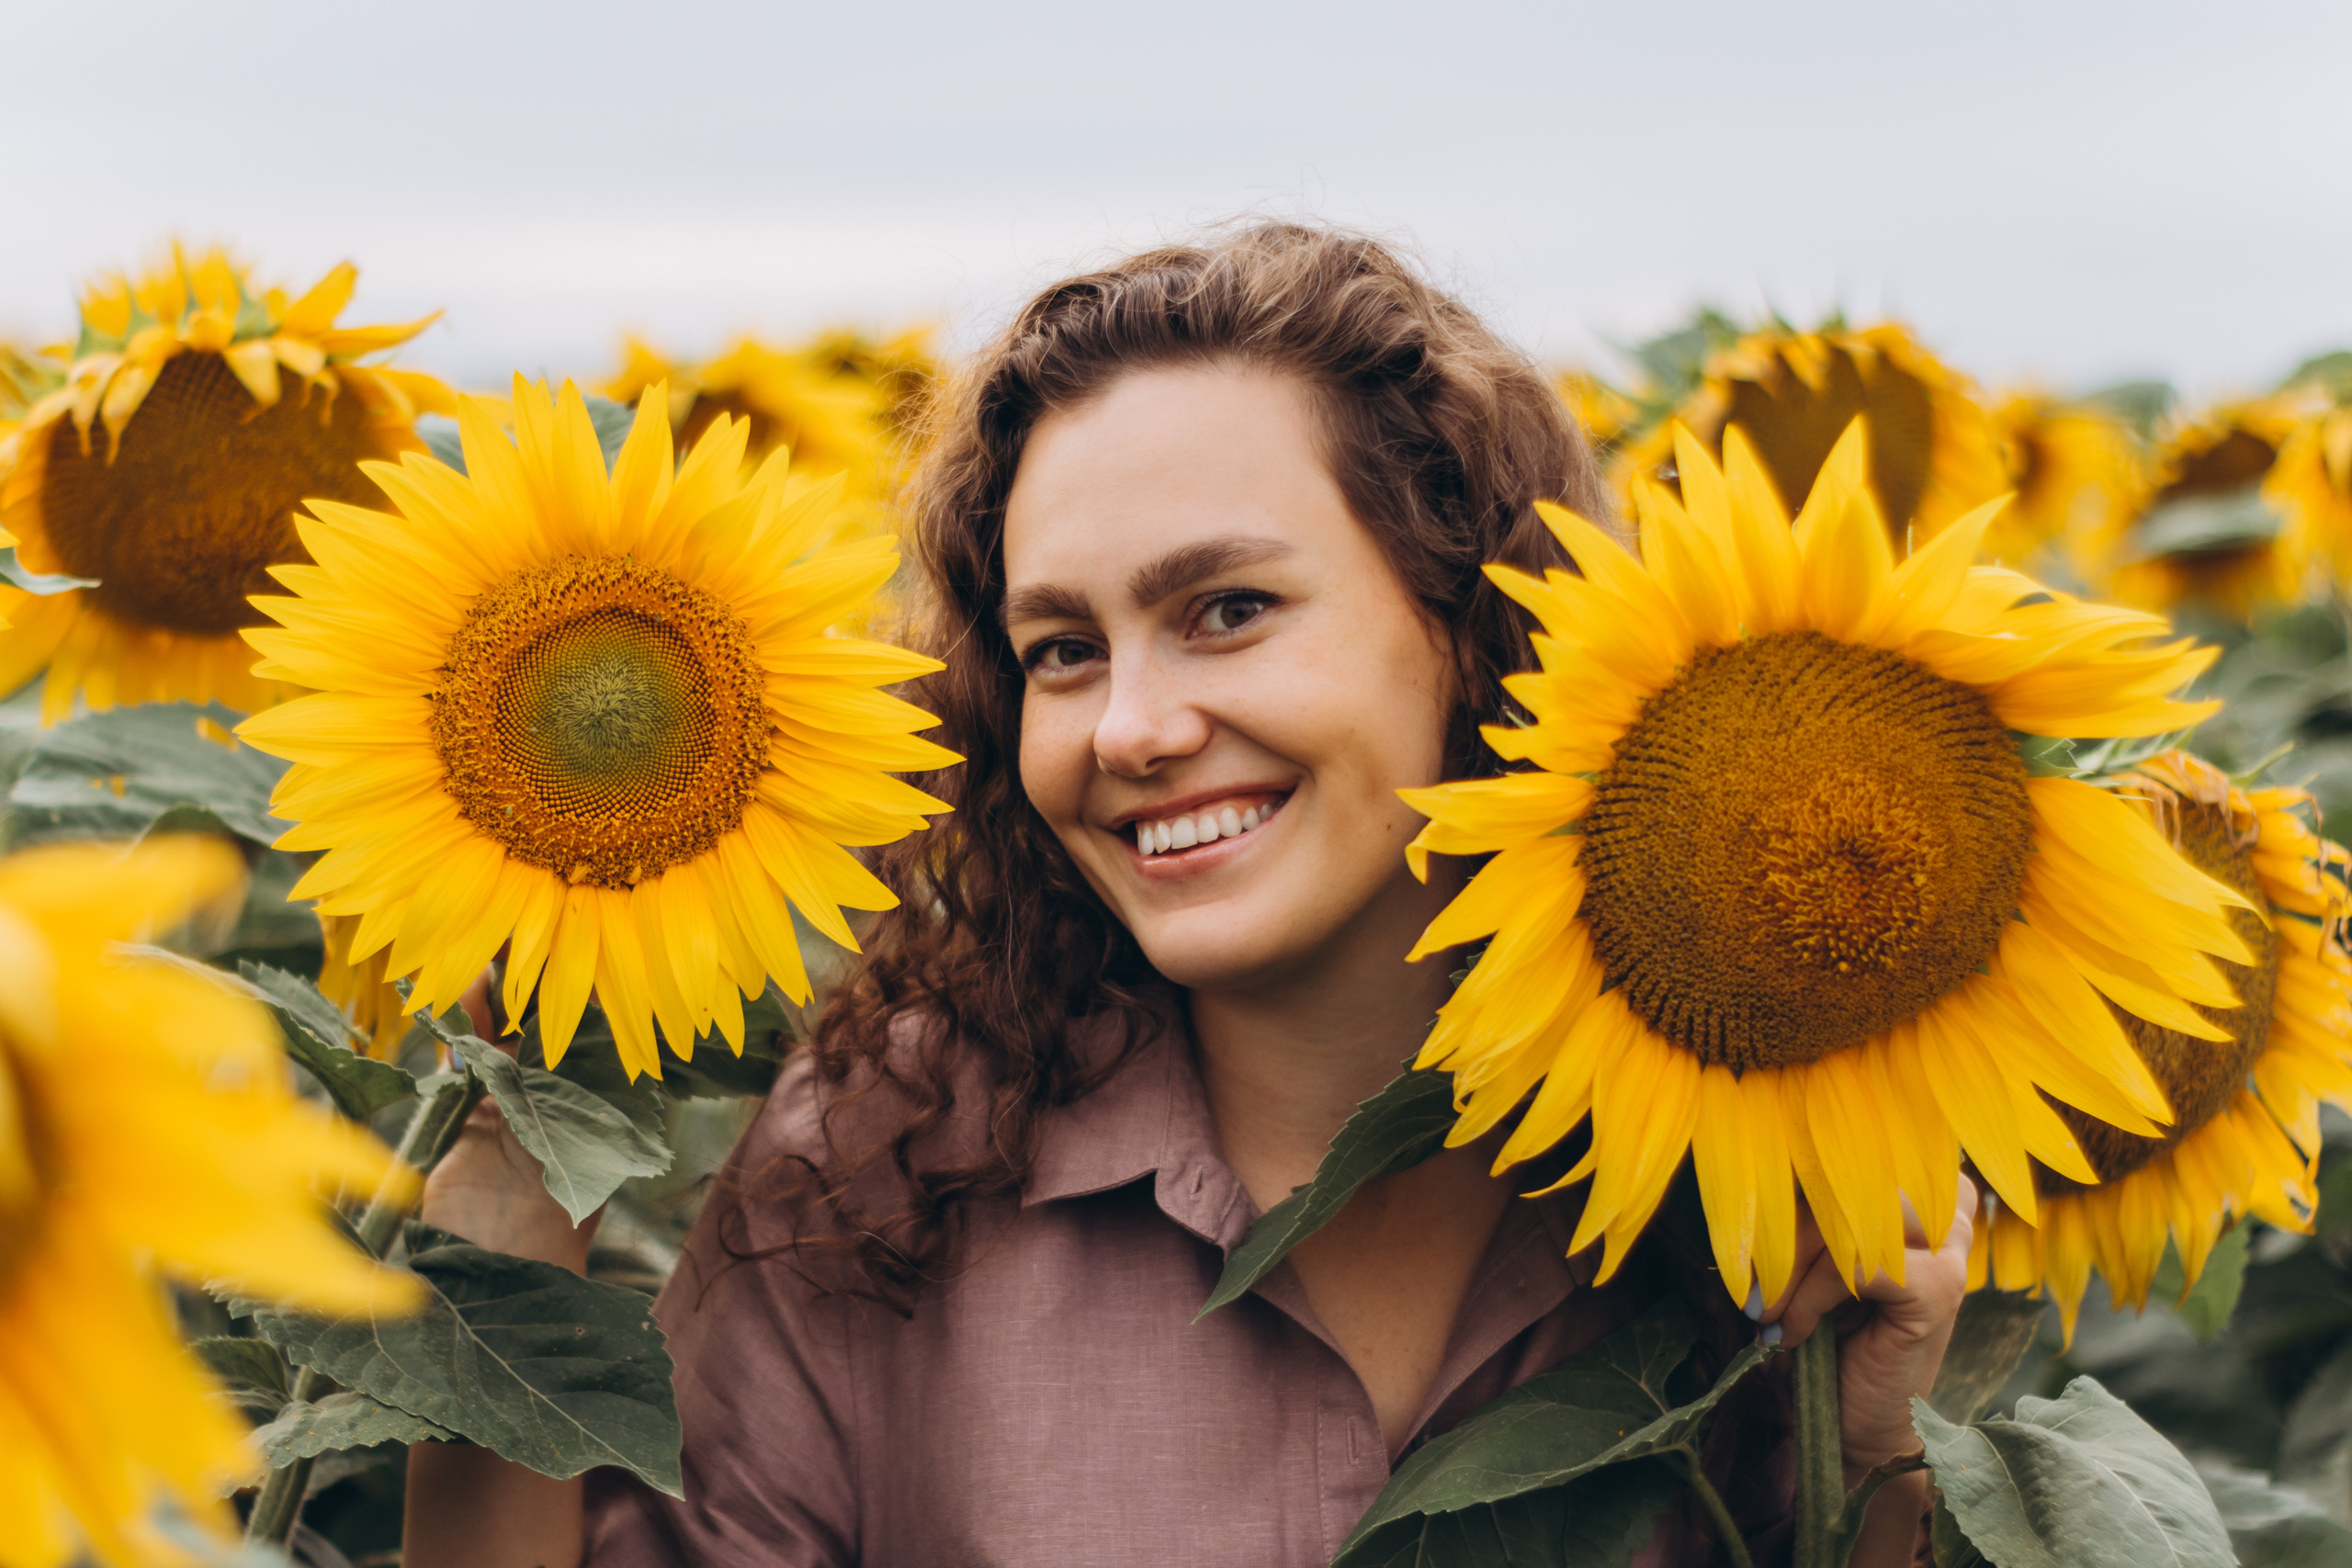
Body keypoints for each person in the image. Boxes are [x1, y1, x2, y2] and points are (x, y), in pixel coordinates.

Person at [406, 222, 1970, 1567]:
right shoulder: (887, 1163)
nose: (1131, 729)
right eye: (1062, 651)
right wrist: (493, 1271)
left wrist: (1887, 1446)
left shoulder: (1750, 1183)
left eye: (1226, 610)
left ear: (1476, 620)